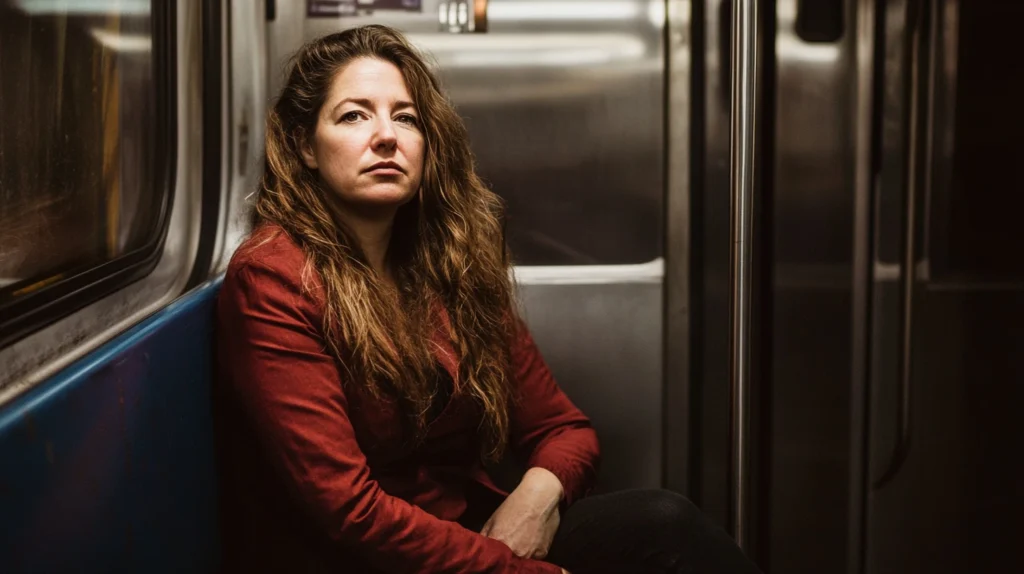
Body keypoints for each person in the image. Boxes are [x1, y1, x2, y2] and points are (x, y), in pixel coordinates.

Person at [213, 24, 761, 574]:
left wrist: (534, 501)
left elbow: (563, 429)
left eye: (405, 117)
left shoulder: (446, 268)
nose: (386, 136)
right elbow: (349, 511)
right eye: (354, 115)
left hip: (471, 536)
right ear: (305, 146)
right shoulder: (273, 277)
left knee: (664, 523)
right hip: (359, 559)